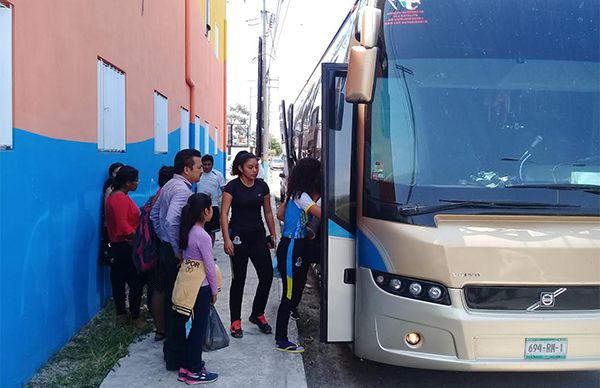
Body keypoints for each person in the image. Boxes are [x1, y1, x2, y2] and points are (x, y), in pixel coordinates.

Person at [150, 148, 203, 370]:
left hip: (164, 249)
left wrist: (163, 241)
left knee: (172, 299)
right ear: (187, 169)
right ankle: (176, 356)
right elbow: (172, 221)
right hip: (172, 254)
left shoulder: (169, 185)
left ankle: (171, 352)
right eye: (198, 167)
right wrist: (177, 249)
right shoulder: (182, 190)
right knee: (180, 304)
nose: (201, 171)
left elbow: (154, 215)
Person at [221, 151, 277, 338]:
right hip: (238, 238)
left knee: (267, 275)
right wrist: (227, 239)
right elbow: (224, 214)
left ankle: (257, 313)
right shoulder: (231, 188)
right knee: (239, 279)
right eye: (250, 167)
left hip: (258, 237)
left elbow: (268, 212)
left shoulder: (262, 186)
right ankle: (235, 321)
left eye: (256, 167)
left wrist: (273, 234)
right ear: (240, 168)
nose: (254, 170)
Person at [274, 158, 321, 352]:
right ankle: (281, 340)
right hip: (292, 246)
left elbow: (280, 215)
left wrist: (299, 225)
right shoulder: (301, 196)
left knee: (297, 288)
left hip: (299, 244)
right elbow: (322, 213)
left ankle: (284, 333)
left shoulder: (297, 194)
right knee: (289, 294)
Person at [171, 193, 219, 384]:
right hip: (202, 287)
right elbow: (209, 266)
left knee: (189, 328)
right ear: (206, 212)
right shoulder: (203, 236)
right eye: (210, 209)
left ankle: (185, 367)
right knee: (198, 329)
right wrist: (214, 291)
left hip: (188, 286)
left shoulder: (188, 231)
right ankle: (195, 370)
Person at [104, 165, 145, 327]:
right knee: (135, 281)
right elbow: (123, 226)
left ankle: (122, 313)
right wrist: (140, 238)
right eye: (135, 181)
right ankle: (134, 316)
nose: (137, 183)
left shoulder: (118, 196)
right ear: (127, 183)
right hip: (124, 246)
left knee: (119, 280)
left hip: (120, 245)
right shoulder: (119, 198)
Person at [147, 165, 175, 341]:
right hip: (164, 246)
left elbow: (153, 217)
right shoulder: (168, 194)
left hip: (157, 245)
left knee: (158, 287)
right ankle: (166, 328)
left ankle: (160, 329)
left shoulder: (158, 194)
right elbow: (170, 221)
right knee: (166, 288)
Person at [195, 154, 226, 245]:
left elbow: (224, 191)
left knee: (211, 231)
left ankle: (209, 251)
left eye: (209, 164)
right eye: (204, 164)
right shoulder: (198, 174)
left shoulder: (218, 175)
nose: (206, 166)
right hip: (199, 207)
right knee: (200, 229)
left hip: (213, 206)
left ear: (212, 164)